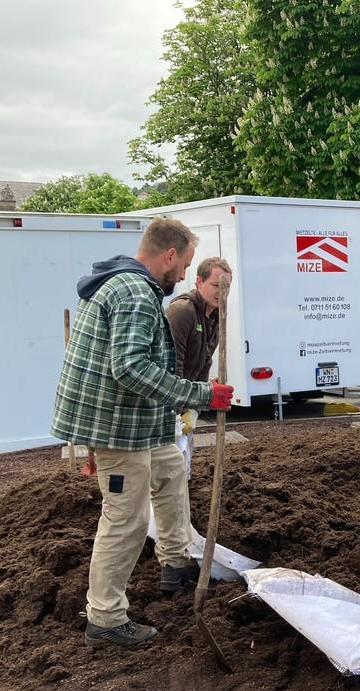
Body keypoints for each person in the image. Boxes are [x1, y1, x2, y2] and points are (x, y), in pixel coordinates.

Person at [52, 218, 235, 649]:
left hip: (138, 421)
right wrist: (200, 395)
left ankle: (175, 562)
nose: (186, 274)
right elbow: (130, 368)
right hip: (117, 425)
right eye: (186, 264)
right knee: (126, 518)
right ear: (169, 255)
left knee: (172, 471)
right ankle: (105, 617)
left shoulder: (133, 287)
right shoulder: (135, 293)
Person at [166, 256, 231, 436]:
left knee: (183, 462)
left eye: (226, 287)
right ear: (199, 282)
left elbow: (204, 364)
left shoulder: (216, 318)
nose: (222, 292)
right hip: (167, 407)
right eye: (216, 286)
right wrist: (177, 411)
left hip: (186, 402)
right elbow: (173, 364)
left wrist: (194, 409)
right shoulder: (182, 312)